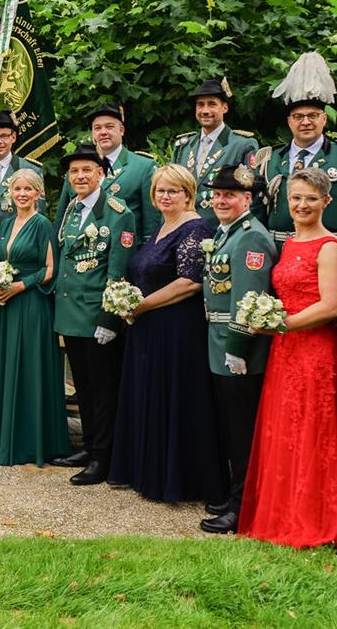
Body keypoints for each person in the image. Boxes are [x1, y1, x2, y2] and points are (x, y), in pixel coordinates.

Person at [239, 167, 337, 547]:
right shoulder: (288, 244)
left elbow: (331, 306)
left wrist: (280, 325)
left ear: (326, 202)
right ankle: (286, 511)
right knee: (286, 430)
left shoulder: (330, 247)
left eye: (311, 199)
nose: (302, 205)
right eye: (296, 197)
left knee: (314, 431)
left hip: (315, 351)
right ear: (287, 200)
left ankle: (316, 516)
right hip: (286, 351)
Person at [107, 164, 226, 503]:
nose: (166, 196)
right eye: (160, 190)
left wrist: (140, 306)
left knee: (175, 400)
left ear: (189, 194)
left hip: (177, 330)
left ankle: (178, 480)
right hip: (149, 328)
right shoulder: (162, 225)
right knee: (152, 397)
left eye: (173, 190)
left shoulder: (196, 227)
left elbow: (189, 282)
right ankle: (149, 472)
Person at [51, 144, 136, 485]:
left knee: (103, 390)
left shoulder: (118, 213)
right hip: (71, 313)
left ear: (101, 174)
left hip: (96, 315)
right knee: (83, 388)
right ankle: (89, 446)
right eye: (74, 171)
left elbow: (118, 272)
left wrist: (109, 319)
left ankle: (104, 456)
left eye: (87, 170)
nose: (80, 176)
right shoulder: (72, 208)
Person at [198, 164, 276, 535]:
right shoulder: (226, 232)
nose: (220, 200)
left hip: (237, 350)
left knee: (243, 432)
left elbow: (248, 299)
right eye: (216, 194)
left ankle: (243, 507)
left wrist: (237, 347)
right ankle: (235, 496)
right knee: (231, 428)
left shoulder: (251, 237)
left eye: (229, 195)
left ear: (247, 199)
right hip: (217, 342)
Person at [0, 169, 68, 466]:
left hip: (32, 304)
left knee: (30, 367)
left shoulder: (43, 224)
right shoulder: (7, 223)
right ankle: (6, 439)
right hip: (7, 306)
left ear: (38, 193)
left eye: (28, 189)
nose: (22, 194)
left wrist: (20, 286)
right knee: (9, 366)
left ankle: (33, 443)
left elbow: (50, 269)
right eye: (17, 189)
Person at [253, 51, 337, 245]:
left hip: (328, 252)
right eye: (298, 117)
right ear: (289, 121)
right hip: (277, 252)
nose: (305, 122)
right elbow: (257, 215)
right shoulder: (269, 159)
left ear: (324, 119)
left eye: (313, 116)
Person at [55, 104, 159, 246]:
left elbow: (152, 225)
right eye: (97, 128)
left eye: (109, 127)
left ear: (121, 130)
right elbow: (62, 219)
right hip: (79, 252)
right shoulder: (76, 170)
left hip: (124, 252)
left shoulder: (143, 167)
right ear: (92, 134)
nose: (103, 132)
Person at [171, 78, 258, 224]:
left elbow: (252, 194)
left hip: (221, 228)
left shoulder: (242, 145)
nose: (205, 111)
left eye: (212, 104)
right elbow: (171, 188)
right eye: (200, 105)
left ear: (224, 108)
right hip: (183, 227)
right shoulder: (183, 146)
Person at [0, 110, 46, 228]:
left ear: (13, 137)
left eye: (4, 136)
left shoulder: (31, 169)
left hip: (16, 235)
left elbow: (38, 214)